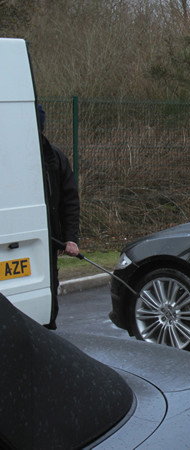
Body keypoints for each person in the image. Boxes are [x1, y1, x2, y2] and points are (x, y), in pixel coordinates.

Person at [38, 105, 80, 330]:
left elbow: (70, 200)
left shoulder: (55, 158)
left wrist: (70, 238)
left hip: (48, 243)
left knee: (49, 293)